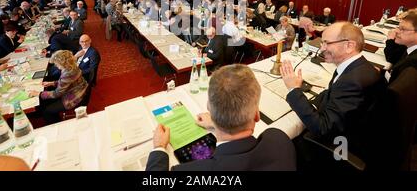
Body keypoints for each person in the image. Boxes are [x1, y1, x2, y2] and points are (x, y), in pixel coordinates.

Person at [146, 64, 296, 171]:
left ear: (208, 108)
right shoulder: (279, 140)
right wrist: (216, 122)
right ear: (256, 115)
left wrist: (159, 148)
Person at [280, 22, 382, 167]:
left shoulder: (352, 82)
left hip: (342, 146)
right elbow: (332, 92)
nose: (322, 49)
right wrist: (311, 101)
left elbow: (322, 129)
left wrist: (293, 90)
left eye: (327, 43)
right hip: (355, 128)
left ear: (349, 46)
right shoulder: (356, 66)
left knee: (286, 142)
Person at [30, 50, 88, 124]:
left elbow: (56, 94)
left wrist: (39, 93)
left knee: (47, 112)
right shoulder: (72, 66)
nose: (56, 66)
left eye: (56, 64)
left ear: (62, 63)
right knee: (45, 100)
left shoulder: (67, 73)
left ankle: (58, 125)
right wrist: (52, 83)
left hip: (74, 97)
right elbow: (66, 82)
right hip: (79, 90)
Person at [383, 12, 417, 84]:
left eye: (403, 29)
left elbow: (392, 88)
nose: (396, 31)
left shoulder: (412, 62)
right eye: (398, 27)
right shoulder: (410, 49)